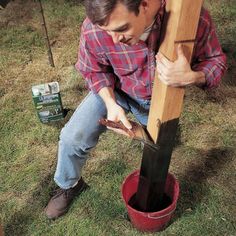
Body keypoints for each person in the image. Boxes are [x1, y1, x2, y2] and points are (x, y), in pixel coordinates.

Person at [44, 0, 226, 219]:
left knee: (158, 148)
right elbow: (93, 70)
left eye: (122, 29)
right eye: (107, 32)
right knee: (72, 138)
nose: (114, 39)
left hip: (156, 101)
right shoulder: (95, 27)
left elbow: (215, 60)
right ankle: (69, 185)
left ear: (145, 5)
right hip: (116, 91)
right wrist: (111, 104)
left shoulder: (192, 18)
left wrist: (195, 76)